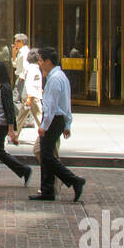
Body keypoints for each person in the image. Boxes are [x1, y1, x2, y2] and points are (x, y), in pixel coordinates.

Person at [31, 47, 86, 202]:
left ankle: (74, 180)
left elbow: (51, 105)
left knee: (47, 156)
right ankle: (47, 190)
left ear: (48, 61)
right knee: (46, 154)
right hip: (57, 120)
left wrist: (44, 125)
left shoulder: (54, 79)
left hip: (53, 120)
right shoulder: (60, 76)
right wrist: (67, 124)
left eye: (41, 60)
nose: (39, 64)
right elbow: (66, 103)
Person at [16, 49, 42, 132]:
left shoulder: (29, 67)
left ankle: (14, 135)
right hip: (32, 96)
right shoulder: (33, 68)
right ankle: (45, 134)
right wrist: (30, 97)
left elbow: (22, 78)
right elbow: (29, 82)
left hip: (29, 95)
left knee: (21, 116)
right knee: (39, 116)